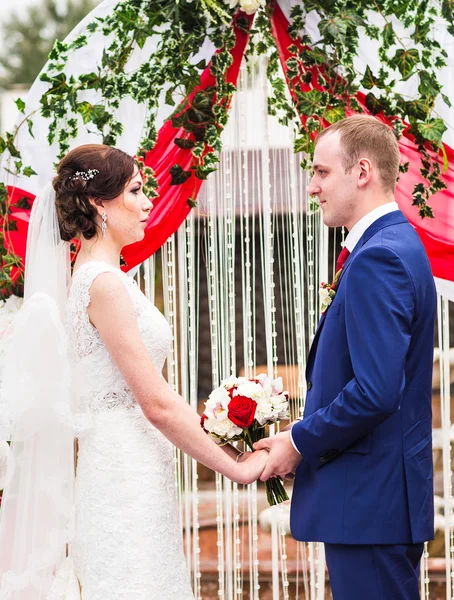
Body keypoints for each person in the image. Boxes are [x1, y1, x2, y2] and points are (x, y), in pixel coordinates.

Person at [0, 144, 268, 599]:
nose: (148, 204)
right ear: (97, 204)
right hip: (123, 475)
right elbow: (157, 404)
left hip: (133, 465)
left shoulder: (101, 278)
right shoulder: (102, 285)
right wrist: (235, 466)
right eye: (137, 191)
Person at [254, 115, 436, 599]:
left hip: (370, 503)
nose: (312, 186)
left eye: (321, 172)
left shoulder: (381, 256)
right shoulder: (390, 246)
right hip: (374, 500)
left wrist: (298, 442)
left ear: (361, 172)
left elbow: (376, 392)